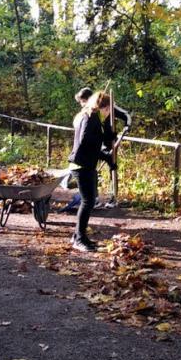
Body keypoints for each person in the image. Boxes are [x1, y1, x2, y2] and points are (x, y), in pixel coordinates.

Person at [68, 91, 116, 252]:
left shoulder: (90, 115)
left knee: (89, 200)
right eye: (108, 108)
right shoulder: (91, 117)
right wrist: (104, 154)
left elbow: (93, 141)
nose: (109, 112)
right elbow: (86, 141)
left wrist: (105, 154)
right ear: (103, 106)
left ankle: (79, 236)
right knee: (88, 201)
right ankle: (79, 239)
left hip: (85, 164)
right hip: (82, 165)